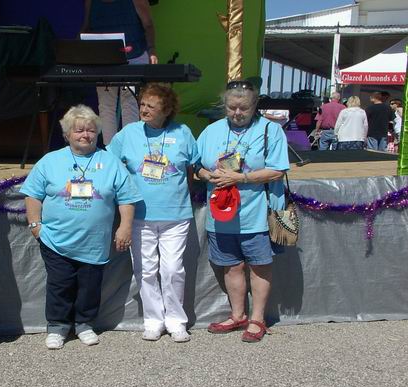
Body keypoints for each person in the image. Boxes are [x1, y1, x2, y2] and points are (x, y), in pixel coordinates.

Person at [20, 105, 142, 350]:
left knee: (89, 286)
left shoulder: (110, 162)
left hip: (94, 240)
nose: (85, 135)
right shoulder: (50, 161)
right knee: (60, 283)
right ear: (67, 134)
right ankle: (57, 326)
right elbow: (32, 195)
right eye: (79, 131)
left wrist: (125, 227)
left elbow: (126, 198)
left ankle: (85, 324)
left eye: (90, 131)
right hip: (56, 239)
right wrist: (35, 225)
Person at [195, 80, 289, 343]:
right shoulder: (211, 131)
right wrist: (207, 175)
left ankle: (257, 318)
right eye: (231, 107)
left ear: (255, 105)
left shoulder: (271, 130)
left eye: (243, 108)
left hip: (257, 213)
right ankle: (238, 316)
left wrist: (241, 178)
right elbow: (195, 165)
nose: (237, 113)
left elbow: (278, 169)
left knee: (259, 267)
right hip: (221, 215)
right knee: (231, 267)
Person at [107, 83, 199, 343]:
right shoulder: (128, 133)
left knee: (172, 270)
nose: (144, 109)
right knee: (145, 270)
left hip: (176, 215)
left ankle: (176, 321)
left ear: (166, 110)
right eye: (142, 104)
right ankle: (153, 320)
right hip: (139, 216)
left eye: (151, 105)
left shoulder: (182, 132)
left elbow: (195, 165)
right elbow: (111, 164)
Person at [81, 0, 158, 145]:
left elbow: (148, 24)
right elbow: (87, 26)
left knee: (129, 102)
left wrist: (152, 50)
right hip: (103, 59)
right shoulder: (91, 2)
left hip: (134, 55)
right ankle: (110, 150)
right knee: (106, 105)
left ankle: (130, 147)